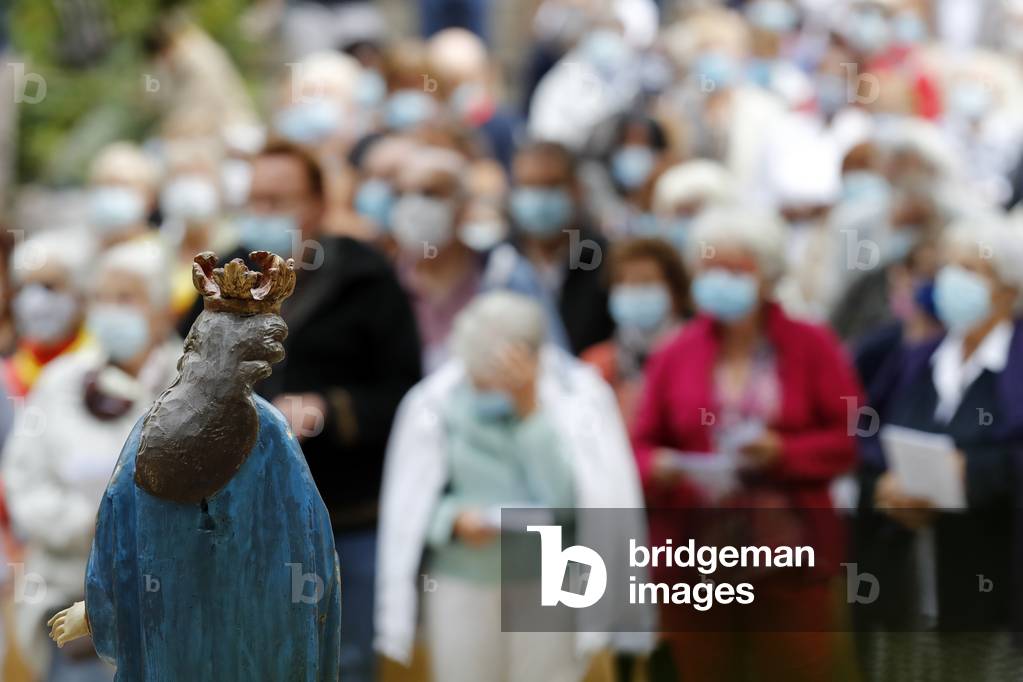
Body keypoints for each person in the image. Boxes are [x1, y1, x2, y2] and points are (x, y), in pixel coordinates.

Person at [197, 141, 421, 682]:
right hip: (248, 522)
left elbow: (407, 397)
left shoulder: (368, 279)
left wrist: (330, 410)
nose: (264, 214)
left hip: (348, 518)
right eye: (256, 199)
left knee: (343, 661)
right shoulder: (223, 280)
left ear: (318, 205)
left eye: (280, 200)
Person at [631, 206, 862, 680]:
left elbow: (850, 437)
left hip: (789, 557)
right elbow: (638, 447)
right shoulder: (675, 351)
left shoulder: (810, 344)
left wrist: (785, 454)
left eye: (736, 269)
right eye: (710, 267)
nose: (721, 279)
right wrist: (665, 465)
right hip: (694, 559)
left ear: (767, 274)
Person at [376, 291, 649, 682]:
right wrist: (452, 519)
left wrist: (529, 413)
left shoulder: (579, 399)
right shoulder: (434, 403)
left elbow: (572, 503)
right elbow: (411, 505)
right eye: (481, 380)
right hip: (461, 583)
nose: (489, 389)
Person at [2, 240, 181, 682]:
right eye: (101, 297)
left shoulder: (192, 385)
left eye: (127, 297)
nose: (110, 311)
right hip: (74, 606)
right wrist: (86, 523)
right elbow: (23, 478)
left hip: (174, 609)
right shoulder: (62, 380)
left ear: (162, 309)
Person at [856, 217, 1023, 681]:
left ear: (1008, 289)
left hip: (993, 588)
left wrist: (969, 473)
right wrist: (887, 486)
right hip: (914, 584)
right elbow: (871, 439)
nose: (953, 280)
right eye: (947, 267)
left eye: (971, 269)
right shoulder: (919, 358)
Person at [509, 140, 614, 355]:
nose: (538, 199)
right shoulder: (500, 262)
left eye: (550, 185)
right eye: (528, 185)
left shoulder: (605, 260)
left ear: (576, 189)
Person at [582, 237, 689, 424]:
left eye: (646, 283)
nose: (634, 292)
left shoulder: (698, 357)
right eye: (625, 283)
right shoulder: (598, 364)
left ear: (676, 293)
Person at [3, 229, 94, 398]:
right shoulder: (8, 375)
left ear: (81, 295)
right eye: (24, 288)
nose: (35, 302)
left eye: (49, 286)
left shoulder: (98, 370)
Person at [86, 143, 161, 248]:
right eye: (107, 184)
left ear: (150, 196)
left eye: (123, 185)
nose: (114, 194)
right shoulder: (80, 252)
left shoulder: (165, 250)